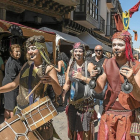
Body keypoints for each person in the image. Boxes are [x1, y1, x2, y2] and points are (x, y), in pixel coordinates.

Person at [0, 35, 62, 139]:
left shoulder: (49, 69)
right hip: (21, 112)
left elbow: (59, 91)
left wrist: (52, 82)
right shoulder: (26, 65)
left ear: (41, 49)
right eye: (28, 49)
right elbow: (14, 84)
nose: (30, 51)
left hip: (37, 114)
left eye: (33, 48)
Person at [91, 30, 140, 140]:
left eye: (120, 45)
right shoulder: (107, 63)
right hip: (108, 113)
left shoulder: (136, 66)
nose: (116, 48)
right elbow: (99, 89)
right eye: (114, 45)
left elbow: (139, 96)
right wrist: (92, 80)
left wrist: (131, 80)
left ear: (127, 46)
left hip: (127, 115)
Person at [62, 42, 95, 140]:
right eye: (76, 51)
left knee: (84, 131)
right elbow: (67, 83)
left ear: (84, 53)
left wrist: (82, 77)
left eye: (80, 51)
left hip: (85, 104)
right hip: (72, 103)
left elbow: (95, 83)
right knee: (73, 129)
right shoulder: (71, 65)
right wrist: (63, 93)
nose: (78, 53)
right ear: (73, 53)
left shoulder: (89, 65)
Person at [2, 44, 22, 121]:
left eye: (19, 51)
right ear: (11, 53)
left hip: (9, 84)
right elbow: (12, 77)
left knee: (8, 106)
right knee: (12, 107)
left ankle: (7, 124)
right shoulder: (13, 62)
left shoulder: (15, 60)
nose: (19, 53)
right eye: (16, 51)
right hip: (10, 85)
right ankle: (13, 124)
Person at [89, 45, 107, 121]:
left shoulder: (106, 60)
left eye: (100, 50)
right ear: (94, 51)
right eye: (96, 50)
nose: (98, 52)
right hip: (93, 82)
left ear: (102, 51)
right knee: (91, 100)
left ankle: (100, 116)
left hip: (103, 83)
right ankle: (92, 115)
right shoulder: (90, 60)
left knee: (101, 101)